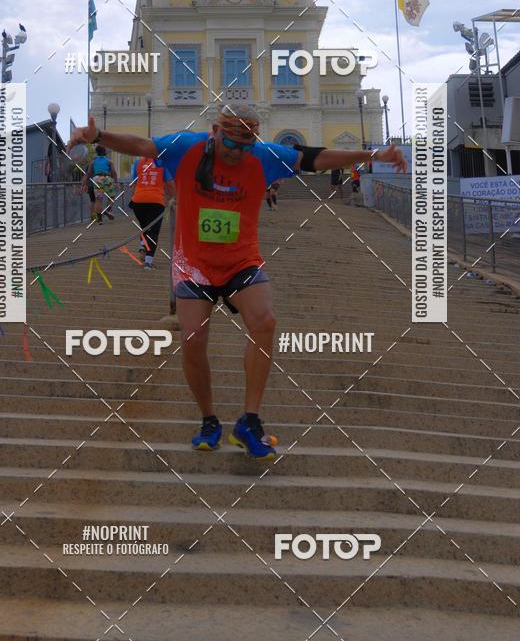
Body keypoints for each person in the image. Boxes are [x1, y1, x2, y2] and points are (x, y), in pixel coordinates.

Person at [68, 104, 406, 459]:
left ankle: (250, 420)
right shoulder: (186, 146)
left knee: (265, 321)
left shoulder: (262, 156)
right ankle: (209, 419)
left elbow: (314, 158)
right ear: (215, 131)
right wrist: (99, 137)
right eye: (231, 145)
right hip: (193, 264)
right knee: (193, 338)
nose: (236, 154)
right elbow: (143, 146)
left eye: (245, 147)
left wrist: (372, 153)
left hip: (241, 260)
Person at [129, 156, 174, 269]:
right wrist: (172, 198)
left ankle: (143, 245)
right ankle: (148, 262)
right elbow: (169, 183)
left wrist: (132, 198)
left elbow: (134, 183)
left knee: (144, 227)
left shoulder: (138, 162)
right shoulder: (162, 163)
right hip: (156, 201)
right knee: (153, 231)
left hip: (138, 200)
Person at [84, 145, 118, 224]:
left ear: (97, 152)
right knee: (111, 197)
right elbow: (113, 172)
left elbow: (89, 173)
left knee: (98, 199)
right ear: (105, 152)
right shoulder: (109, 161)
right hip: (106, 178)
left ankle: (99, 220)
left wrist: (85, 183)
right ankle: (108, 210)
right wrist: (115, 182)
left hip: (96, 179)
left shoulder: (93, 161)